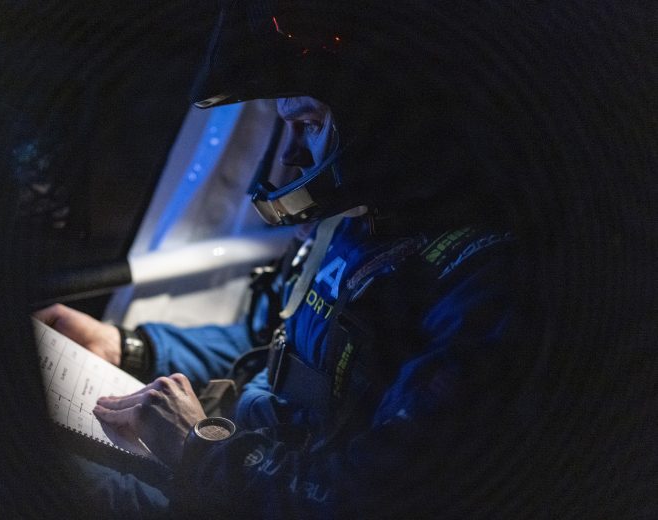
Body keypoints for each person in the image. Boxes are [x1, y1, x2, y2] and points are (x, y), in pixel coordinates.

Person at [37, 1, 519, 516]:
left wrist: (200, 447)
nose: (290, 156)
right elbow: (270, 347)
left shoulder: (486, 288)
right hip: (242, 471)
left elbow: (367, 498)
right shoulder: (348, 228)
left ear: (386, 121)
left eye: (308, 123)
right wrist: (128, 348)